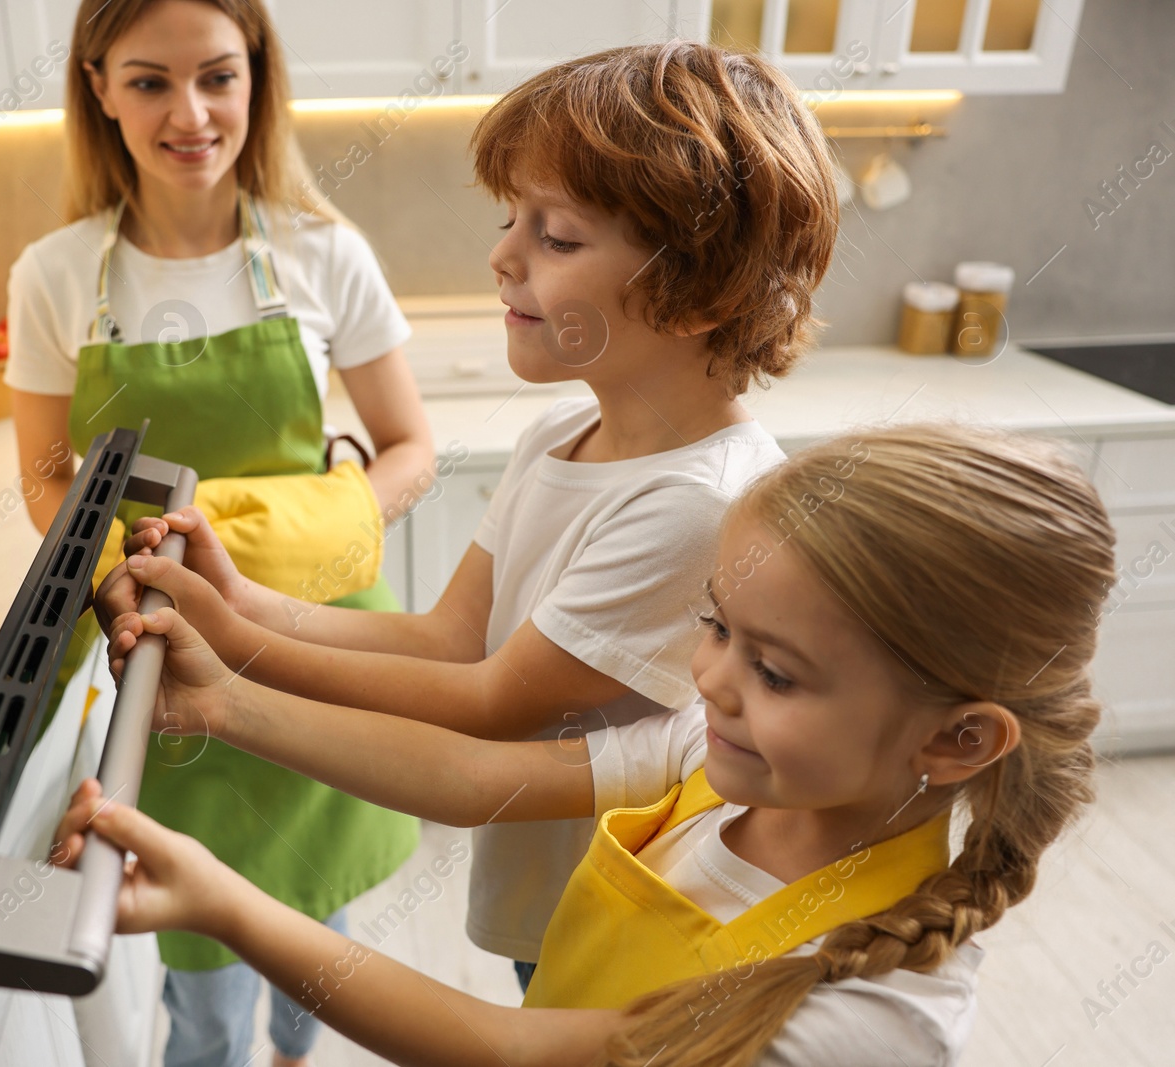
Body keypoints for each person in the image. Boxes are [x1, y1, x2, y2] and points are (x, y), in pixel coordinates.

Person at [95, 40, 833, 991]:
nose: (502, 256)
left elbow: (491, 705)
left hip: (634, 911)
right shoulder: (563, 433)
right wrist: (243, 599)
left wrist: (235, 646)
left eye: (556, 237)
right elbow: (450, 638)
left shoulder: (696, 502)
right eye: (511, 220)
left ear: (698, 290)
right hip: (551, 886)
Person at [63, 424, 1117, 1066]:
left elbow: (506, 1047)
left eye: (776, 670)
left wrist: (225, 901)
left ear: (960, 737)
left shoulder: (869, 1018)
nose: (710, 678)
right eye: (716, 626)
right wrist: (224, 703)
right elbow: (471, 777)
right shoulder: (719, 762)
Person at [2, 1, 433, 1063]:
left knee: (314, 938)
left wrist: (299, 528)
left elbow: (410, 446)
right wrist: (119, 573)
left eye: (217, 77)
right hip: (149, 663)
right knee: (195, 982)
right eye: (149, 80)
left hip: (312, 652)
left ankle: (296, 1048)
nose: (189, 112)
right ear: (98, 85)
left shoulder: (322, 252)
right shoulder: (55, 275)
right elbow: (48, 479)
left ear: (257, 77)